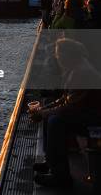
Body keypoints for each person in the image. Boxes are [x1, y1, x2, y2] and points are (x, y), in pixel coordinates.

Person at [30, 39, 101, 188]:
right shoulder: (75, 67)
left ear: (67, 55)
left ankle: (61, 177)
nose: (57, 59)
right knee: (49, 115)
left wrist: (44, 113)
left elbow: (69, 107)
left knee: (56, 122)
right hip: (84, 112)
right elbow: (65, 98)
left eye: (58, 56)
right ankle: (51, 161)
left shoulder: (82, 72)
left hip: (94, 118)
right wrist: (44, 109)